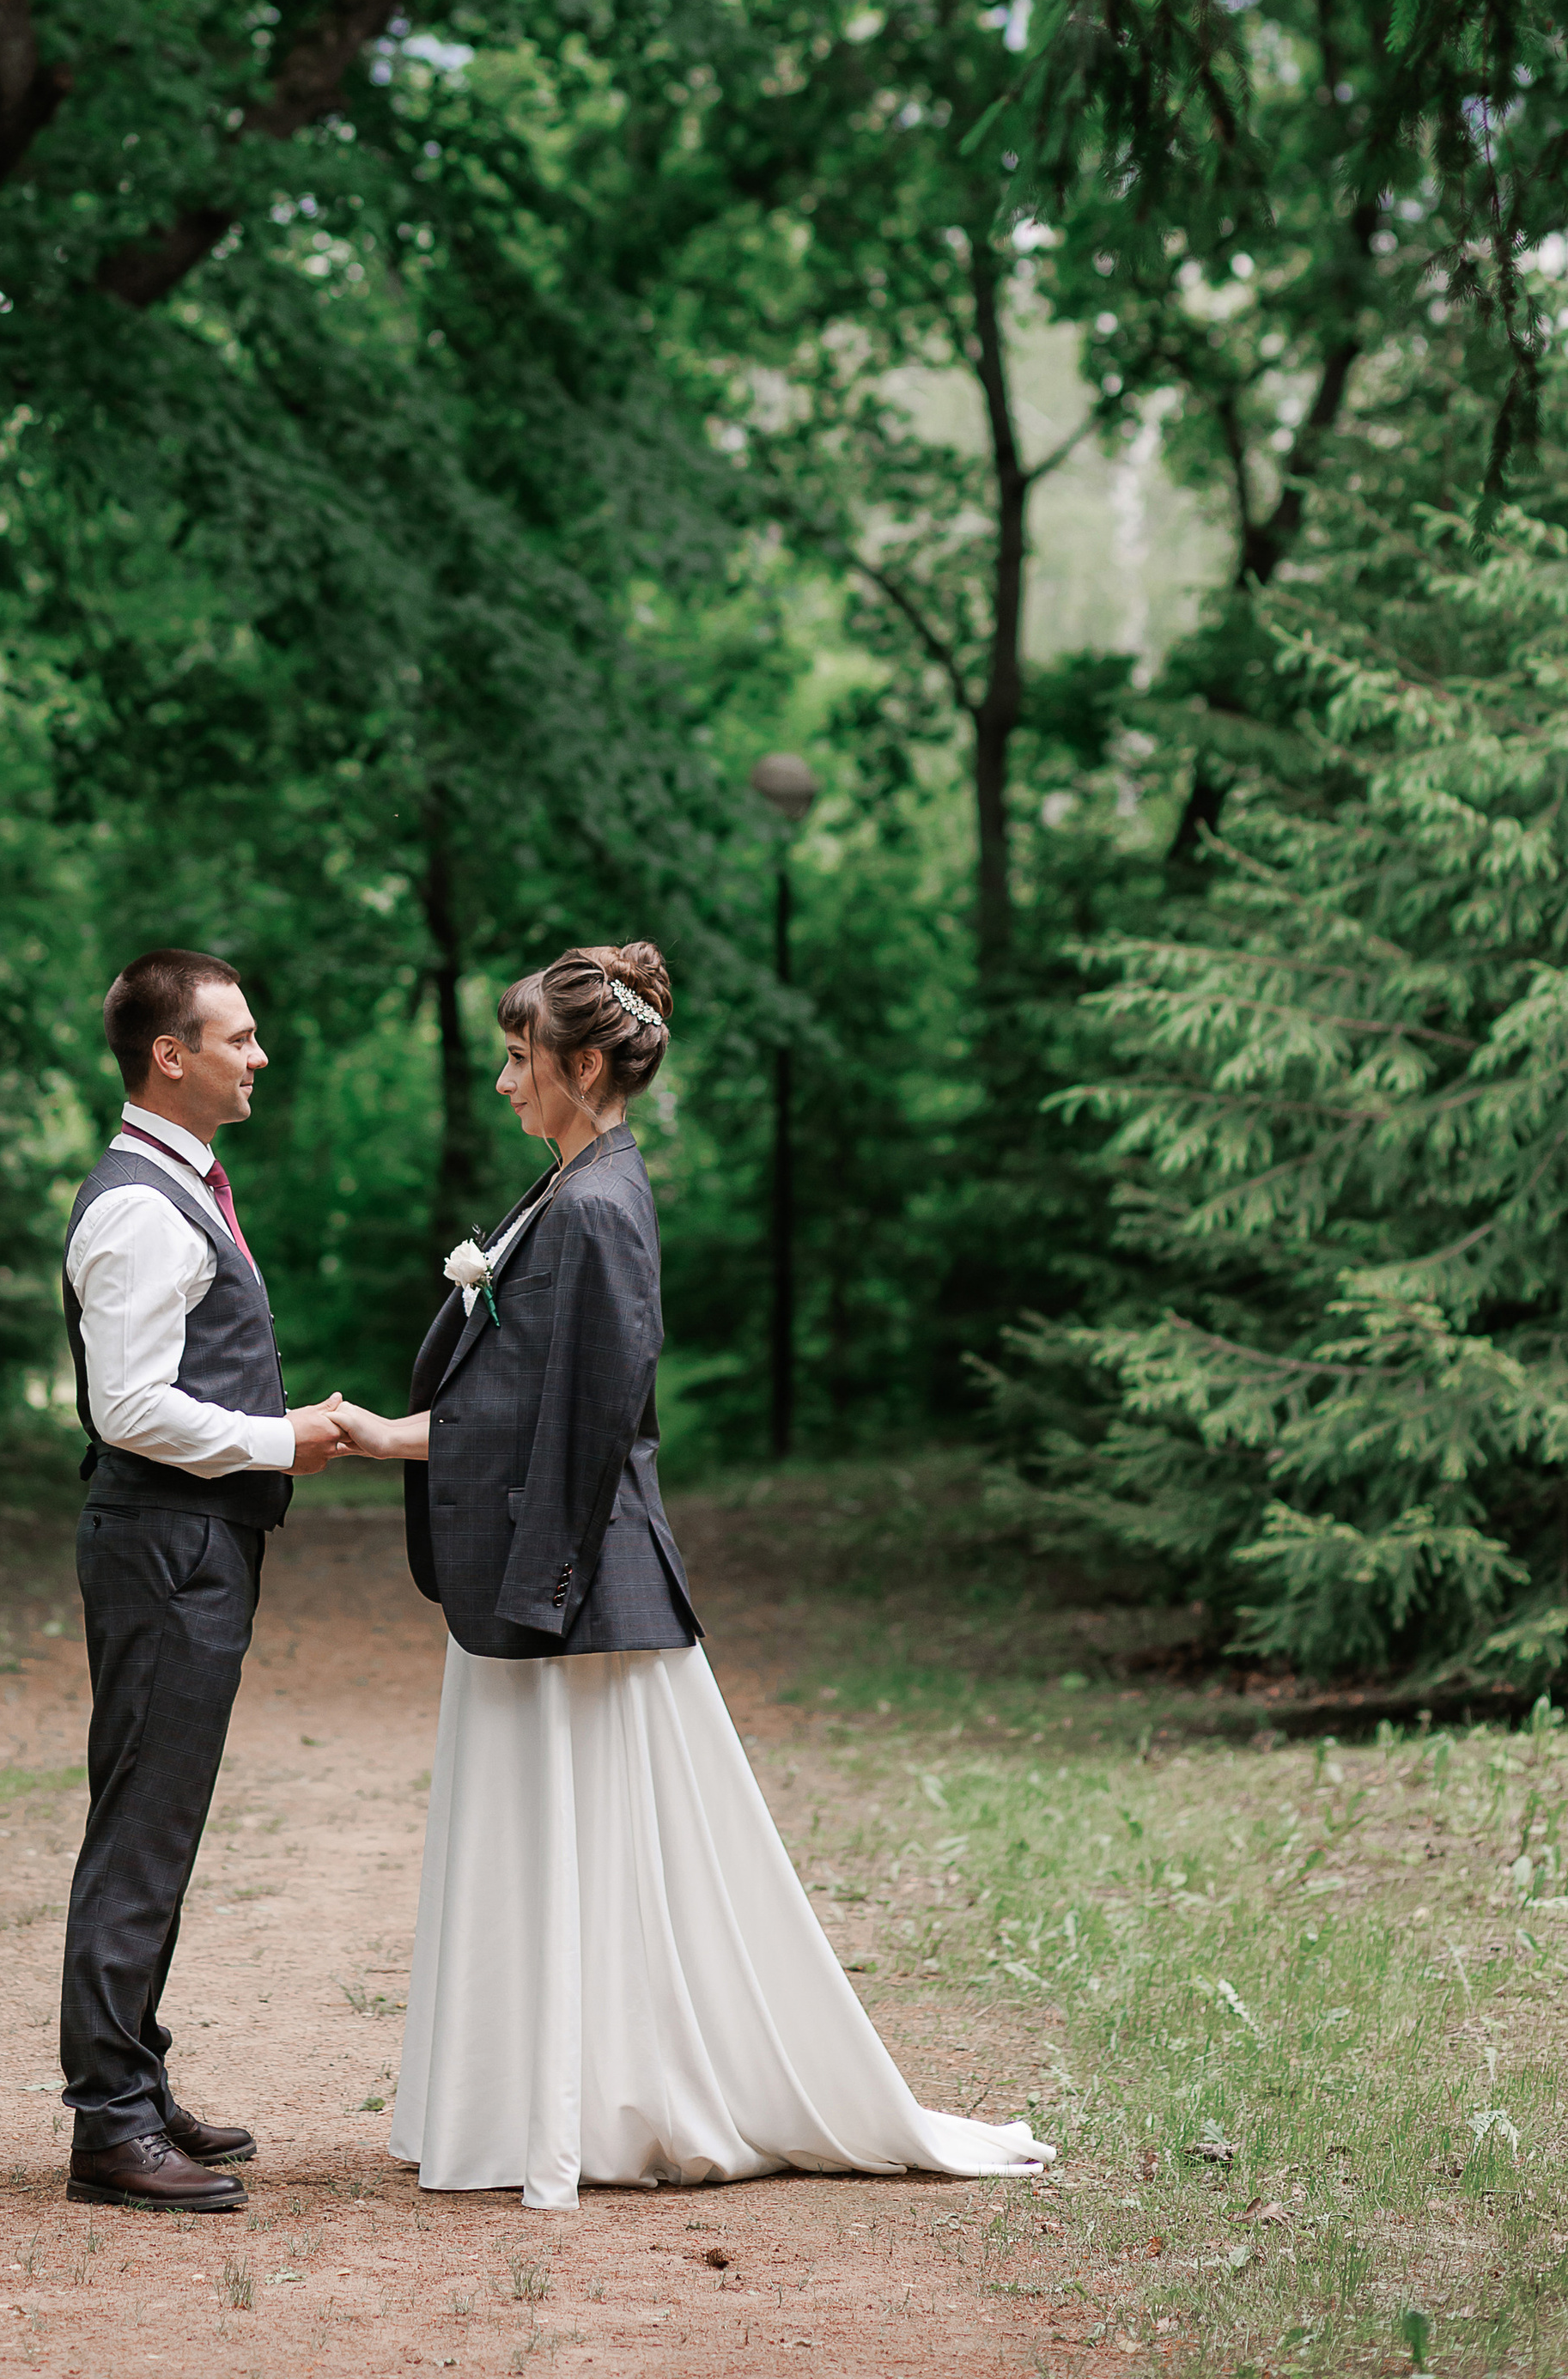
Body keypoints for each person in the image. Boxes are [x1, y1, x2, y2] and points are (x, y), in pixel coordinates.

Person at [331, 940, 1053, 2212]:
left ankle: (606, 2105)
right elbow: (514, 1397)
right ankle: (541, 2099)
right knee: (555, 1848)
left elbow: (597, 1419)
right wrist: (397, 1434)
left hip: (574, 1597)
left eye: (518, 1057)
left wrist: (540, 1591)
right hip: (541, 1581)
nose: (504, 1082)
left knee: (602, 1847)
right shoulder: (561, 1193)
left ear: (587, 1062)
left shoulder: (602, 1208)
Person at [56, 948, 347, 2214]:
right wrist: (284, 1441)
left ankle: (135, 2076)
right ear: (169, 1055)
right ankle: (110, 2124)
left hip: (191, 1544)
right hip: (166, 1544)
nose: (259, 1054)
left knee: (158, 1820)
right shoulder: (136, 1205)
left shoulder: (182, 1189)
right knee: (142, 1825)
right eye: (238, 1036)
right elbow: (129, 1408)